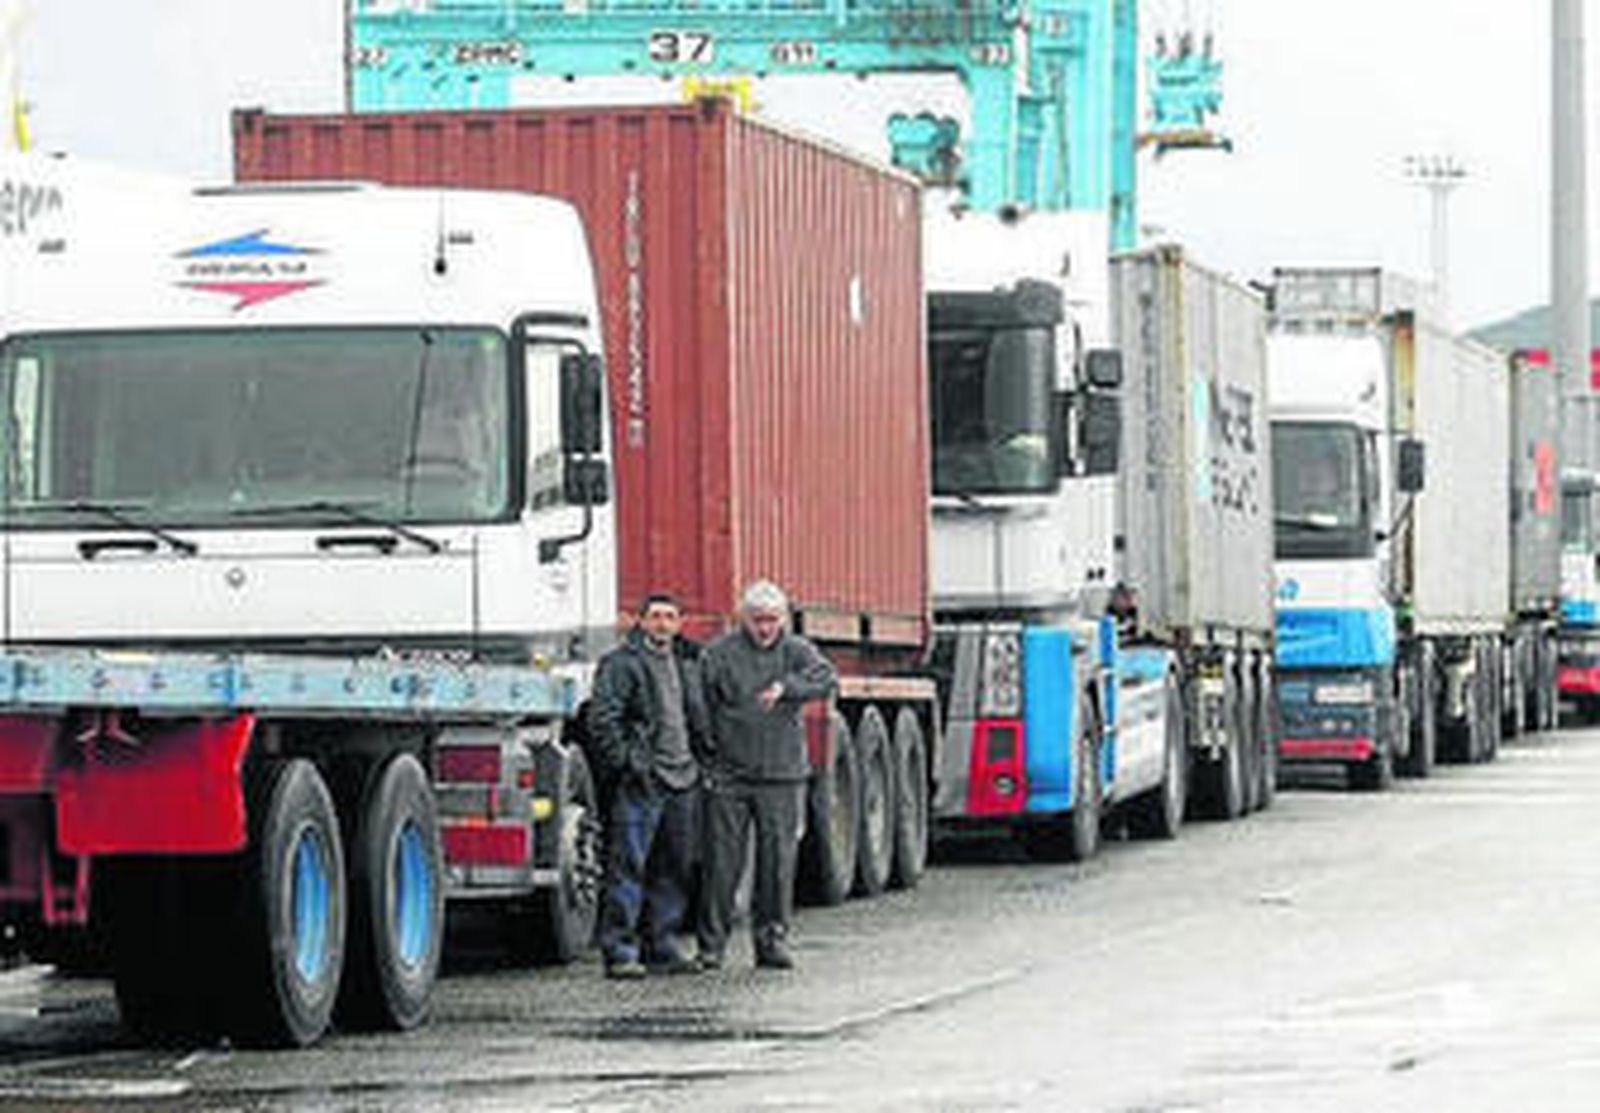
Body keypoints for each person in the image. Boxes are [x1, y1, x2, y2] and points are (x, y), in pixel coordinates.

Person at [698, 580, 838, 971]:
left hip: (782, 773)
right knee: (722, 863)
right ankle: (712, 946)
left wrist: (787, 688)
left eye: (772, 620)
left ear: (784, 619)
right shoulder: (719, 654)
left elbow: (826, 679)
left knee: (777, 863)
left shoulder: (796, 650)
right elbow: (702, 707)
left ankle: (771, 941)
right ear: (744, 618)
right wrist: (711, 758)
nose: (765, 628)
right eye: (758, 620)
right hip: (730, 774)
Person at [587, 592, 709, 979]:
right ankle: (620, 950)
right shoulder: (621, 664)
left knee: (675, 867)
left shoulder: (690, 662)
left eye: (670, 617)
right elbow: (603, 719)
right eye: (654, 616)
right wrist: (628, 763)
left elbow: (702, 715)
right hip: (643, 780)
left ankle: (662, 945)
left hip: (683, 778)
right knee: (628, 865)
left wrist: (704, 760)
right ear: (640, 621)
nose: (662, 623)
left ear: (679, 623)